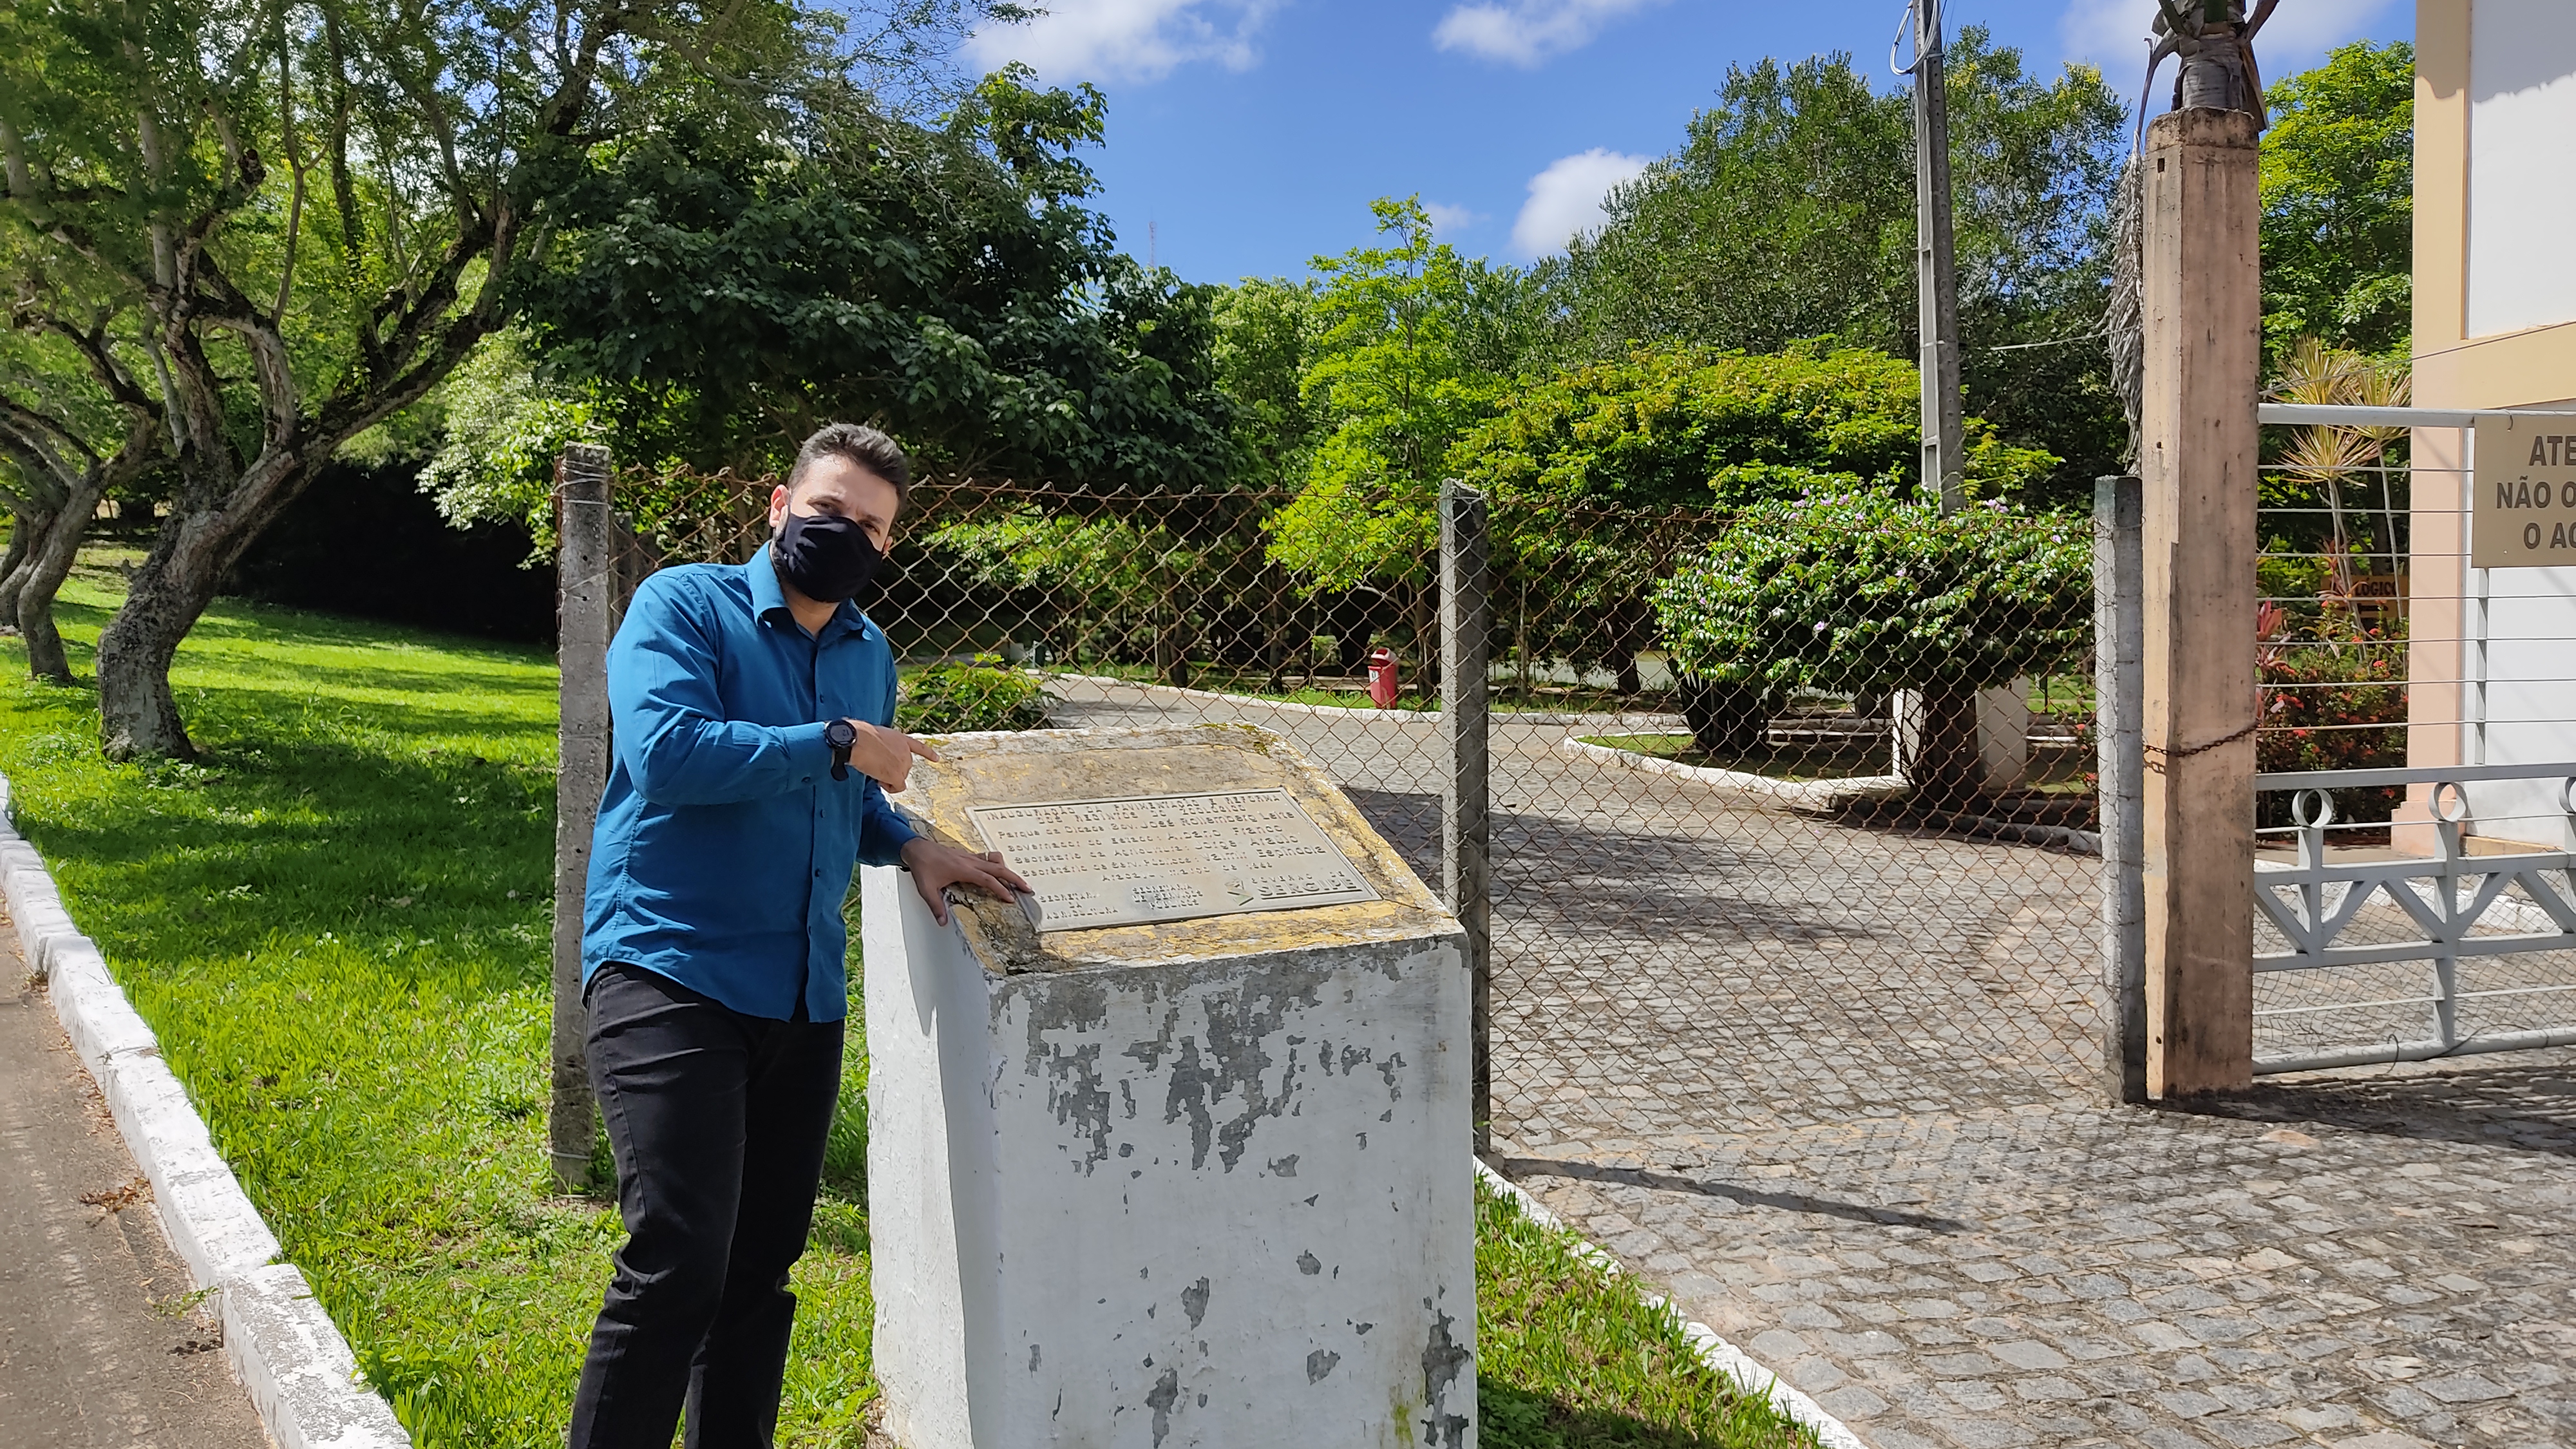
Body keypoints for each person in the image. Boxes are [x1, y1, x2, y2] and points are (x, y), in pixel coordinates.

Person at [569, 422, 1027, 1448]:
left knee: (757, 1269)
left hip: (803, 995)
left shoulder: (869, 654)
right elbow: (669, 752)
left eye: (869, 525)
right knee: (679, 1254)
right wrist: (832, 740)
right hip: (669, 964)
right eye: (827, 510)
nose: (844, 534)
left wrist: (909, 843)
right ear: (779, 505)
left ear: (887, 549)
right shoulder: (685, 604)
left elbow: (847, 797)